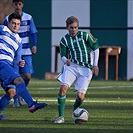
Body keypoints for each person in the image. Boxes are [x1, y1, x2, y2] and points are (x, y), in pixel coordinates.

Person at [0, 13, 48, 120]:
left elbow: (17, 58)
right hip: (1, 62)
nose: (16, 26)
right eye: (13, 23)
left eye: (18, 24)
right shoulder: (2, 29)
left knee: (11, 92)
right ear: (8, 23)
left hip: (7, 65)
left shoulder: (18, 40)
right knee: (19, 81)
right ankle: (31, 104)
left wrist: (20, 62)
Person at [54, 16, 99, 124]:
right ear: (67, 27)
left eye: (75, 27)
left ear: (78, 27)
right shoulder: (64, 40)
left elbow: (96, 48)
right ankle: (61, 116)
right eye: (71, 28)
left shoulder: (85, 35)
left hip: (86, 68)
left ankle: (75, 110)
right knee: (63, 88)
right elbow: (63, 55)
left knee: (80, 96)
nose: (73, 30)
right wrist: (66, 60)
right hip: (72, 67)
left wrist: (95, 65)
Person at [3, 0, 38, 107]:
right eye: (15, 4)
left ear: (22, 5)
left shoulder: (28, 17)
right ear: (12, 5)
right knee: (16, 78)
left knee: (27, 76)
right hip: (10, 55)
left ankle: (21, 95)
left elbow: (33, 33)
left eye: (19, 4)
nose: (18, 6)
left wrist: (34, 44)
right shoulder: (6, 22)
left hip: (25, 51)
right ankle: (18, 101)